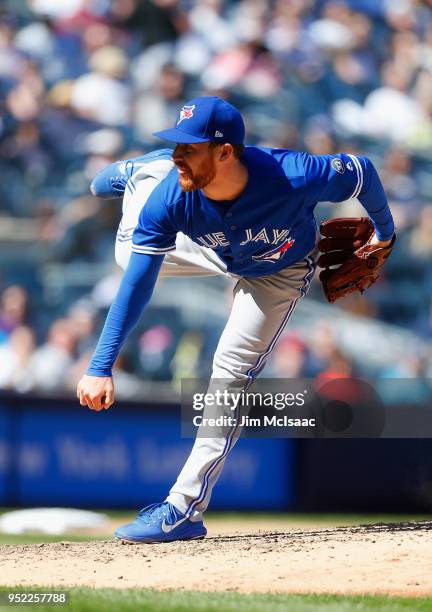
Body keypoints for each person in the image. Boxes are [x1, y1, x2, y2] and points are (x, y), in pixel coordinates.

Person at [77, 96, 395, 543]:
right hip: (210, 248)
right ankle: (140, 175)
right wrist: (99, 365)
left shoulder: (293, 174)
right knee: (128, 255)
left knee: (229, 370)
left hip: (277, 269)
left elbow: (361, 171)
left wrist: (385, 232)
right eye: (176, 147)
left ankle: (182, 508)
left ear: (226, 152)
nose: (179, 155)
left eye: (189, 148)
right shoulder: (174, 197)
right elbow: (137, 286)